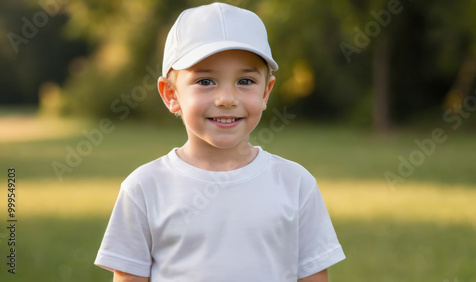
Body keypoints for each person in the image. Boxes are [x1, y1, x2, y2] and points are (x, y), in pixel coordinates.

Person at [94, 2, 345, 281]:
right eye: (205, 81)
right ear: (170, 94)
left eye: (246, 81)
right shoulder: (144, 188)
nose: (227, 99)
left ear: (266, 92)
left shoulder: (296, 185)